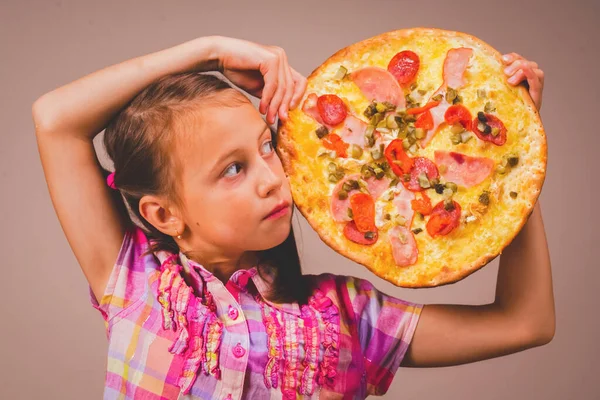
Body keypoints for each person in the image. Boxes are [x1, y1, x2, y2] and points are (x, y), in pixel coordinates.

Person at [32, 35, 554, 399]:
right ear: (164, 214)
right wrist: (208, 53)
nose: (270, 176)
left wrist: (517, 160)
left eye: (266, 147)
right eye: (233, 169)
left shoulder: (350, 318)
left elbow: (525, 323)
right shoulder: (134, 281)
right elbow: (54, 120)